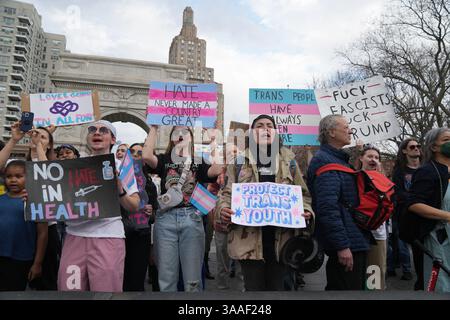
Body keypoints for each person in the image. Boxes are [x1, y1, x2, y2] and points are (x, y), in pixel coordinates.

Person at [216, 115, 314, 291]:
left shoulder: (289, 162)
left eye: (269, 125)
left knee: (279, 291)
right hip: (249, 243)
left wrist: (305, 211)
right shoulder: (239, 162)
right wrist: (223, 209)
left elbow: (303, 195)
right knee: (254, 292)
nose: (265, 128)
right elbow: (225, 193)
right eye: (259, 126)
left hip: (282, 243)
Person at [57, 120, 140, 292]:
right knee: (69, 292)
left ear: (112, 139)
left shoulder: (123, 168)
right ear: (87, 137)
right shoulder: (71, 166)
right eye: (92, 129)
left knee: (105, 293)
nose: (97, 132)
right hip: (74, 236)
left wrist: (120, 190)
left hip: (108, 236)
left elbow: (134, 206)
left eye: (103, 130)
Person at [142, 125, 222, 292]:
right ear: (171, 138)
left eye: (185, 132)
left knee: (193, 281)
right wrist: (154, 128)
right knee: (166, 278)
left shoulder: (198, 162)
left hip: (191, 218)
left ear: (191, 138)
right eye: (176, 132)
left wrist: (214, 140)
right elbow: (146, 156)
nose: (180, 135)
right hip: (165, 220)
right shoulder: (164, 160)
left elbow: (217, 168)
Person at [307, 114, 371, 290]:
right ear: (332, 132)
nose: (350, 130)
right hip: (347, 243)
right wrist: (342, 245)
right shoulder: (323, 160)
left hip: (353, 238)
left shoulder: (338, 160)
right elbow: (328, 208)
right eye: (346, 127)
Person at [406, 128, 450, 293]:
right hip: (439, 239)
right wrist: (447, 216)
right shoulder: (428, 171)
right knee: (441, 286)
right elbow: (413, 204)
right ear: (434, 147)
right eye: (446, 140)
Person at [0, 160, 48, 291]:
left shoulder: (36, 202)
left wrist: (37, 263)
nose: (13, 180)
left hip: (21, 258)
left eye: (18, 176)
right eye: (9, 176)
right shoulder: (1, 199)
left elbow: (43, 233)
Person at [26, 127, 59, 291]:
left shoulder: (56, 167)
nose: (37, 138)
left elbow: (48, 175)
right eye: (34, 135)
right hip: (23, 230)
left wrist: (38, 146)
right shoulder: (19, 165)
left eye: (43, 137)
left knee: (45, 282)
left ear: (49, 145)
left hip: (47, 230)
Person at [122, 143, 158, 291]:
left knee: (137, 278)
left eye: (140, 152)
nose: (135, 155)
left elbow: (155, 214)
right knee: (120, 276)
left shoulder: (150, 184)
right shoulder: (117, 177)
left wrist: (151, 212)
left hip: (141, 234)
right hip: (120, 233)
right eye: (132, 152)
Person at [356, 144, 388, 290]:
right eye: (369, 156)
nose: (373, 160)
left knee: (374, 277)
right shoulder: (354, 178)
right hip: (356, 235)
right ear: (361, 158)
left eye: (376, 157)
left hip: (377, 236)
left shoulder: (385, 182)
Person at [390, 139, 420, 285]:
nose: (416, 149)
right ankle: (407, 271)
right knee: (401, 242)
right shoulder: (400, 171)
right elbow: (398, 193)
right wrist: (416, 200)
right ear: (404, 151)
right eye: (412, 147)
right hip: (403, 213)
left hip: (423, 214)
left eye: (418, 146)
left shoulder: (425, 169)